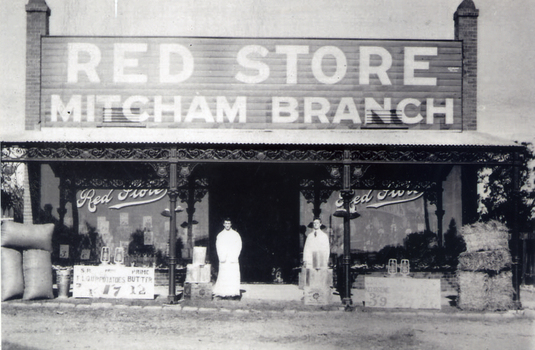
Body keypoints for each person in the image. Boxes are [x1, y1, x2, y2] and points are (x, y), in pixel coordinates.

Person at [213, 218, 242, 299]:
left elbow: (239, 246)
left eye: (229, 223)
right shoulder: (220, 235)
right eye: (226, 223)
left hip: (232, 258)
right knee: (224, 275)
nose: (227, 225)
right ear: (223, 224)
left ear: (231, 224)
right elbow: (218, 246)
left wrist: (234, 255)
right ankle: (223, 293)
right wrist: (222, 256)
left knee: (233, 275)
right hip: (224, 259)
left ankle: (233, 293)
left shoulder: (236, 234)